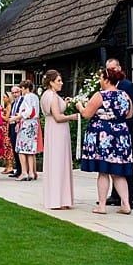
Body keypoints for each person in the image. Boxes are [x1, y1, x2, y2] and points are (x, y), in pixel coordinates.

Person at [75, 67, 133, 214]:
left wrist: (79, 106)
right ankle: (126, 204)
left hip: (104, 136)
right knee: (118, 172)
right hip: (121, 135)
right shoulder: (124, 95)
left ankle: (101, 206)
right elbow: (129, 114)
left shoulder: (100, 95)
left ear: (107, 80)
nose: (100, 81)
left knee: (103, 171)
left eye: (101, 78)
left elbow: (87, 114)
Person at [40, 70, 78, 209]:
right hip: (58, 131)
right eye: (58, 81)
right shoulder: (53, 96)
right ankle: (59, 200)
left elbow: (53, 112)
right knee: (59, 163)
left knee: (55, 162)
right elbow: (57, 117)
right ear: (51, 82)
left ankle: (57, 198)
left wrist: (65, 103)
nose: (61, 83)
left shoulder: (46, 95)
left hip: (51, 130)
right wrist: (72, 117)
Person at [104, 58, 133, 209]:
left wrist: (127, 129)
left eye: (113, 69)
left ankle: (129, 198)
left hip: (124, 130)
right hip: (110, 132)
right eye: (108, 69)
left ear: (119, 68)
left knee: (125, 164)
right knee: (113, 163)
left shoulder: (127, 86)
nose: (110, 72)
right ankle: (115, 195)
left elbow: (132, 109)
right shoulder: (107, 85)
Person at [14, 80, 40, 181]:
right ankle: (31, 172)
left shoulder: (27, 97)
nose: (21, 91)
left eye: (22, 89)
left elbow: (29, 111)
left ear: (25, 88)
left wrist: (19, 116)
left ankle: (24, 172)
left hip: (27, 123)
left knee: (21, 149)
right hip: (34, 123)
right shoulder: (35, 97)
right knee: (30, 149)